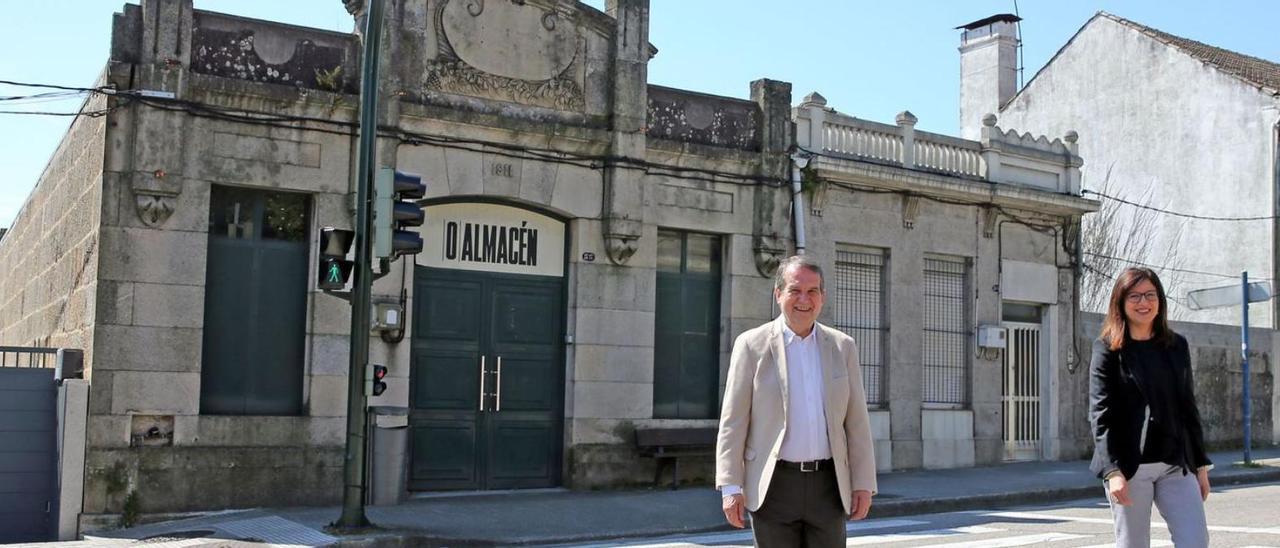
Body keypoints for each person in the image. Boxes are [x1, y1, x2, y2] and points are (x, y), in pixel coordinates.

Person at [715, 255, 877, 547]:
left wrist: (864, 483)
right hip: (773, 486)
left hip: (828, 486)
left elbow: (857, 422)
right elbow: (733, 422)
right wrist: (730, 486)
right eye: (795, 290)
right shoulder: (751, 345)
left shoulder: (843, 347)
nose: (804, 299)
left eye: (812, 291)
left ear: (822, 298)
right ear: (778, 294)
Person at [1089, 267, 1212, 548]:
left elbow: (1188, 407)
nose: (1143, 303)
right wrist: (1112, 472)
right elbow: (1100, 412)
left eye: (1150, 295)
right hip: (1130, 468)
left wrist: (1200, 466)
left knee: (1195, 541)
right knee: (1133, 544)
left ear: (1160, 300)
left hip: (1175, 464)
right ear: (1120, 302)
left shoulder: (1176, 345)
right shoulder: (1107, 349)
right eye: (1134, 296)